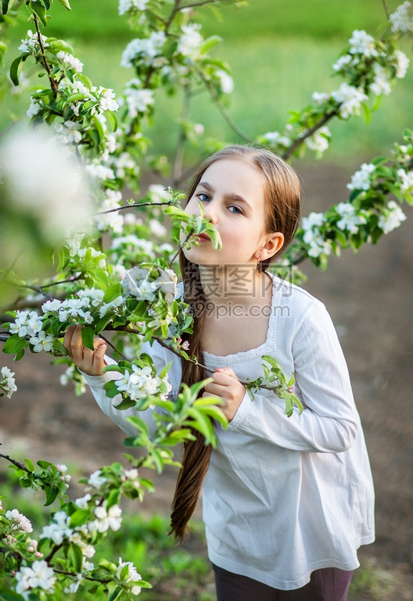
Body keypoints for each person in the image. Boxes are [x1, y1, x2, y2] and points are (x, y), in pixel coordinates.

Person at [64, 145, 375, 601]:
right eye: (203, 196)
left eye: (234, 207)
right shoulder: (168, 311)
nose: (207, 214)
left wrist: (247, 409)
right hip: (240, 528)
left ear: (267, 245)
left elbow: (340, 428)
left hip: (312, 525)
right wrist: (101, 376)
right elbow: (159, 421)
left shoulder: (299, 319)